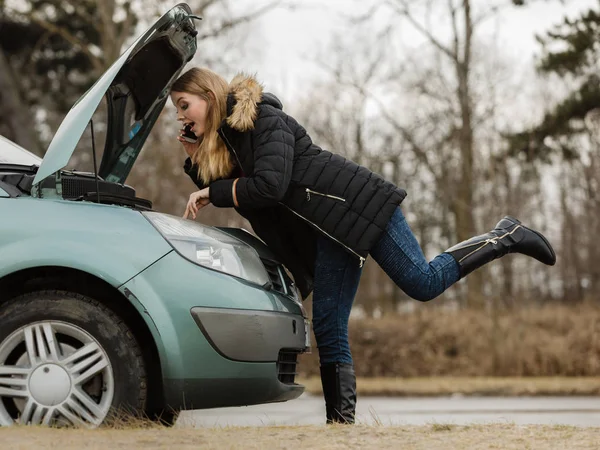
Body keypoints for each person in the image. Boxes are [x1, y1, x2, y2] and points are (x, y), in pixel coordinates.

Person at [170, 67, 556, 424]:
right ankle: (340, 427)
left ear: (210, 94)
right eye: (176, 110)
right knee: (328, 323)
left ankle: (504, 235)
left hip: (357, 204)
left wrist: (214, 191)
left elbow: (269, 186)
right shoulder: (232, 145)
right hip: (331, 232)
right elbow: (234, 189)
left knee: (421, 283)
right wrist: (194, 161)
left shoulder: (265, 120)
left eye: (184, 105)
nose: (181, 116)